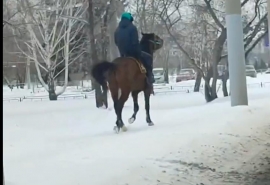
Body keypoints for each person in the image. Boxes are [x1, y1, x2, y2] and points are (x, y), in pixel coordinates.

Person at [114, 12, 154, 88]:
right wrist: (138, 51)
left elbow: (116, 42)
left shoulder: (117, 30)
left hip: (122, 54)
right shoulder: (132, 28)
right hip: (133, 53)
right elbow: (135, 42)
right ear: (130, 19)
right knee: (148, 58)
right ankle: (149, 76)